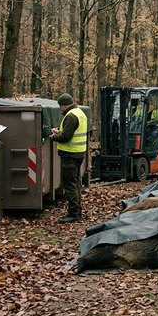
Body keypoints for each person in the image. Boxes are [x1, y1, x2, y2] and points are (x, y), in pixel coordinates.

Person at [50, 93, 88, 223]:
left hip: (69, 155)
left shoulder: (71, 116)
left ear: (64, 105)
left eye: (60, 106)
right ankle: (77, 211)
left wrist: (54, 136)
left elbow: (66, 137)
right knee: (76, 183)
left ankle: (73, 214)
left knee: (70, 185)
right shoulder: (80, 113)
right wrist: (59, 132)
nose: (60, 108)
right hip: (78, 154)